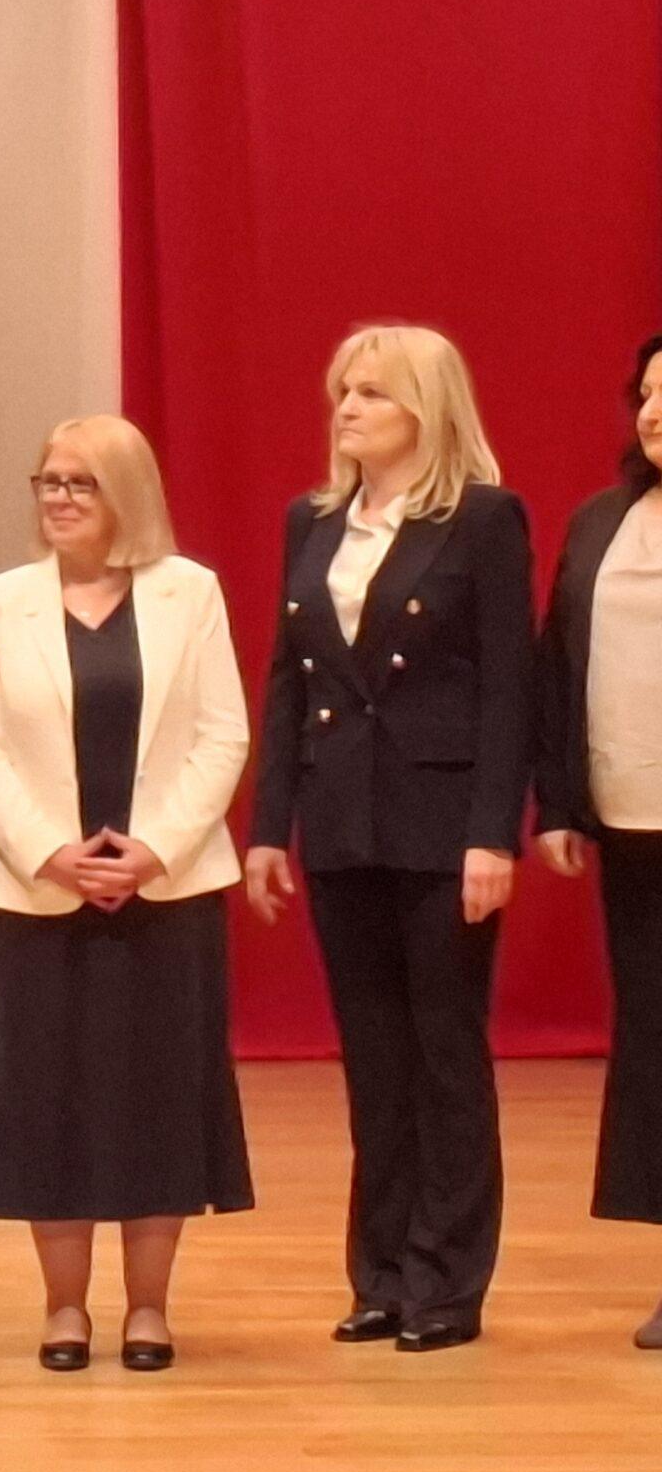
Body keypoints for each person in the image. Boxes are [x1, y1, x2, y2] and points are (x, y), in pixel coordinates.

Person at [246, 324, 533, 1354]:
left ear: (425, 408)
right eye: (343, 392)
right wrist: (268, 827)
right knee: (371, 1058)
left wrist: (493, 834)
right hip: (341, 819)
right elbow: (289, 681)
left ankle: (445, 1280)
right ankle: (380, 1274)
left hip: (441, 824)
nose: (348, 409)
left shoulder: (481, 519)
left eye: (371, 393)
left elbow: (509, 690)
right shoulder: (314, 520)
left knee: (444, 1053)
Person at [0, 415, 252, 1373]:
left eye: (80, 482)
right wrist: (51, 852)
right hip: (38, 897)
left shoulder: (189, 593)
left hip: (166, 895)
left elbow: (223, 735)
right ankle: (65, 1310)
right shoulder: (0, 602)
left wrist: (154, 850)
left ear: (126, 494)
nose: (59, 498)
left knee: (160, 1098)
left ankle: (150, 1309)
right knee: (49, 1102)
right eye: (48, 480)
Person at [536, 331, 662, 1345]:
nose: (653, 413)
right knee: (654, 1043)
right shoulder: (600, 521)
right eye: (647, 395)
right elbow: (554, 667)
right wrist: (558, 803)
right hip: (631, 825)